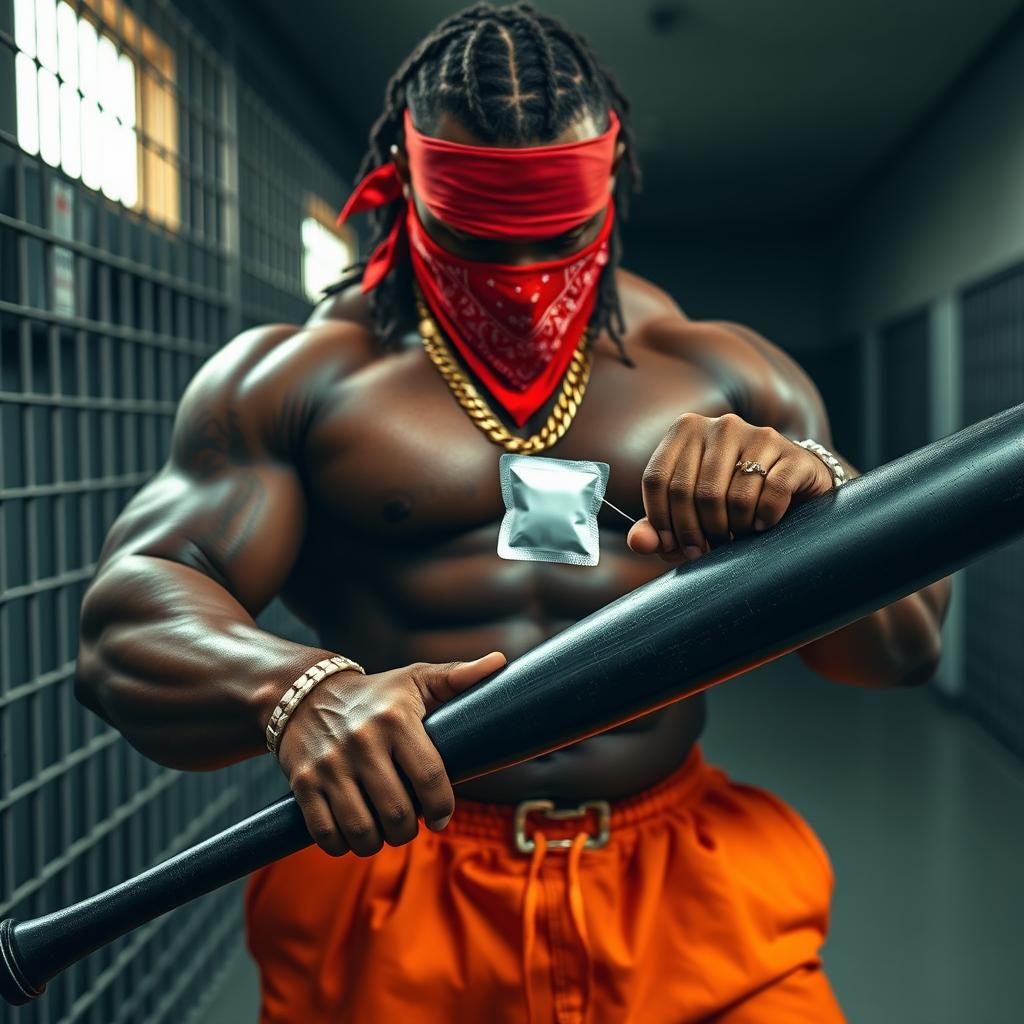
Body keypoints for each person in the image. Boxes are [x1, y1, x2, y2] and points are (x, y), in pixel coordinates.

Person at [74, 4, 951, 1021]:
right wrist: (297, 689)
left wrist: (818, 503)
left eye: (561, 237)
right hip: (400, 885)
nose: (526, 280)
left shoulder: (725, 370)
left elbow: (900, 650)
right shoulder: (299, 377)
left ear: (610, 191)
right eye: (474, 239)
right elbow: (124, 624)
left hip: (682, 886)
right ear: (404, 190)